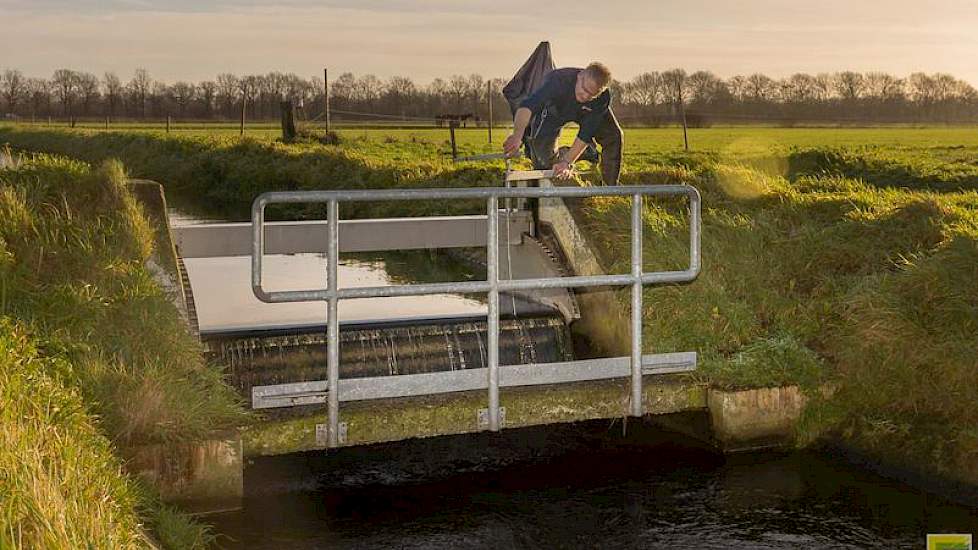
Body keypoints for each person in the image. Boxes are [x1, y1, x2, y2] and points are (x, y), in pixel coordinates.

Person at [502, 62, 622, 185]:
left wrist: (567, 162)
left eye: (591, 95)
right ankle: (583, 153)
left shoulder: (602, 98)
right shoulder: (557, 81)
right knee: (543, 161)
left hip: (586, 114)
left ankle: (610, 188)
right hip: (554, 113)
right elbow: (527, 107)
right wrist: (517, 136)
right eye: (584, 89)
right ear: (580, 76)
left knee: (613, 135)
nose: (585, 96)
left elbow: (587, 132)